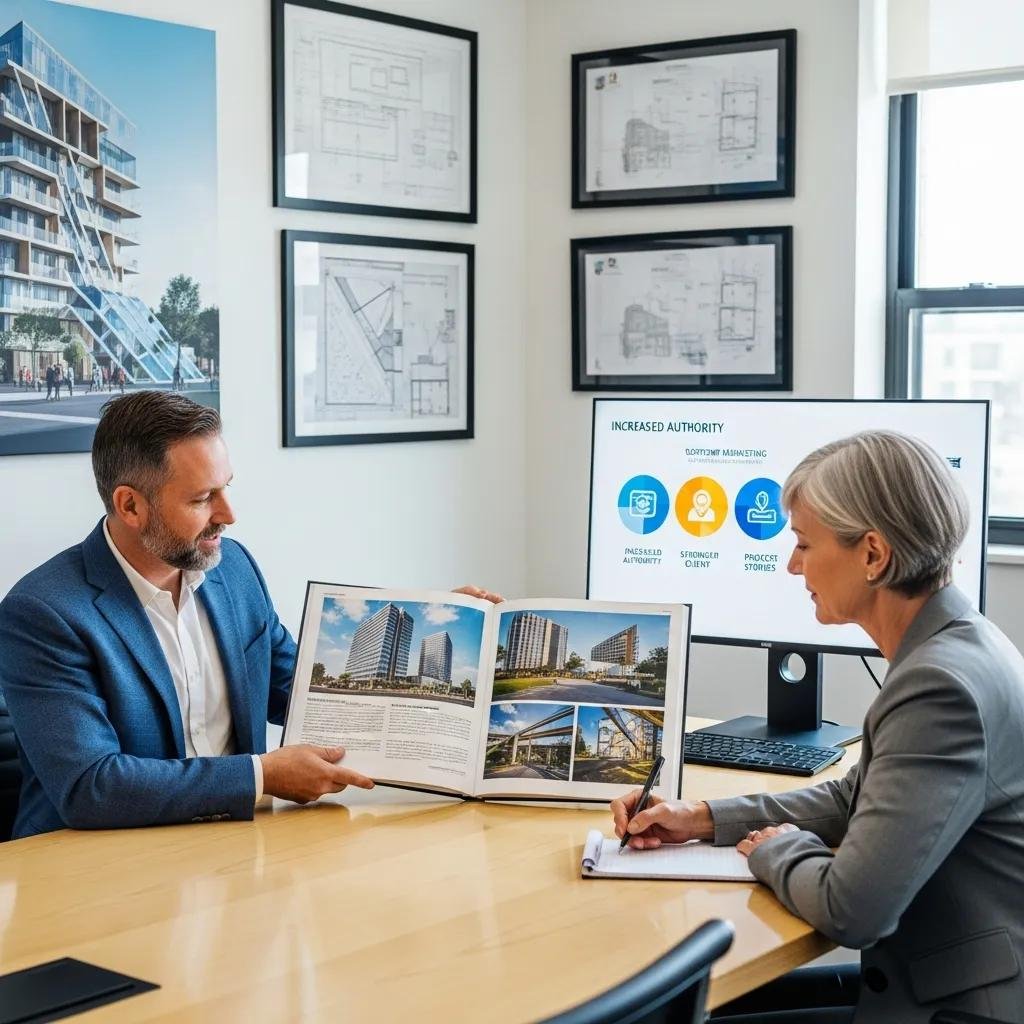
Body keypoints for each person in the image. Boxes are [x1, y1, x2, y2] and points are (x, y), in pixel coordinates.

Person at [612, 431, 1024, 1023]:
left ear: (873, 555)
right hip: (941, 976)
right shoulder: (958, 645)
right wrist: (702, 818)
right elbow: (855, 799)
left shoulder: (941, 688)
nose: (791, 564)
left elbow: (853, 911)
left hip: (961, 1008)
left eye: (804, 543)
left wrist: (779, 851)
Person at [0, 391, 501, 838]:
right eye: (202, 499)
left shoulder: (231, 567)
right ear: (130, 506)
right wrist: (263, 776)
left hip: (240, 844)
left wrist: (431, 629)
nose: (228, 514)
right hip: (92, 871)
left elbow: (300, 690)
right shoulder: (44, 613)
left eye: (226, 488)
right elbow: (92, 787)